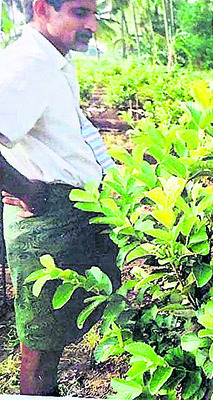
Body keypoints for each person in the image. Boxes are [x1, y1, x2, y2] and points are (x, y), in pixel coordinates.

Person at [0, 0, 120, 395]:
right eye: (80, 13)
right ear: (42, 10)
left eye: (94, 15)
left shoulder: (55, 61)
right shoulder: (26, 65)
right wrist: (26, 189)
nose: (92, 26)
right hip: (46, 220)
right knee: (40, 350)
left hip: (74, 211)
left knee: (70, 329)